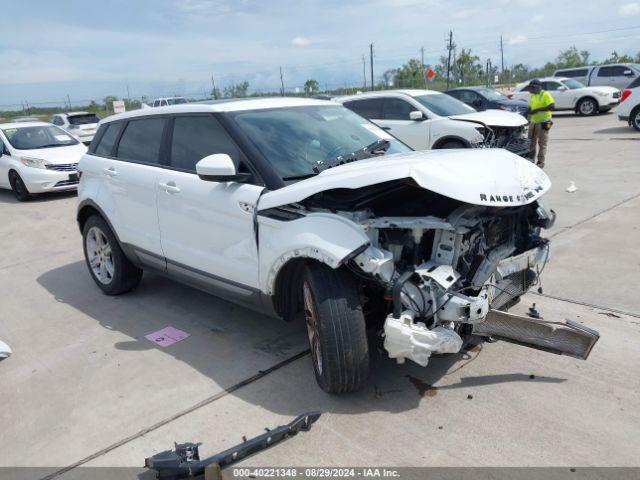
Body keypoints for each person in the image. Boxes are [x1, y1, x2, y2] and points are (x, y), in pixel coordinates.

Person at [525, 79, 555, 168]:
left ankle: (540, 162)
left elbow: (552, 106)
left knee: (542, 143)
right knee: (530, 142)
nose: (529, 89)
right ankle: (531, 160)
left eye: (531, 87)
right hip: (534, 122)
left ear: (537, 87)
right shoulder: (533, 96)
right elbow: (532, 109)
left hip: (544, 122)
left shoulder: (545, 94)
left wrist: (537, 110)